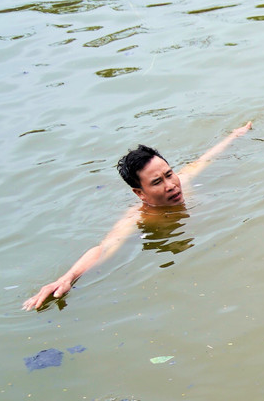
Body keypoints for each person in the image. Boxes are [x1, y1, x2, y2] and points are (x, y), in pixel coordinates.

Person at [21, 120, 252, 310]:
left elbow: (205, 158)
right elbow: (104, 248)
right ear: (140, 193)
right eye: (157, 182)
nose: (171, 185)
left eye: (169, 174)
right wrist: (67, 277)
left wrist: (235, 135)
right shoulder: (140, 218)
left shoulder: (184, 181)